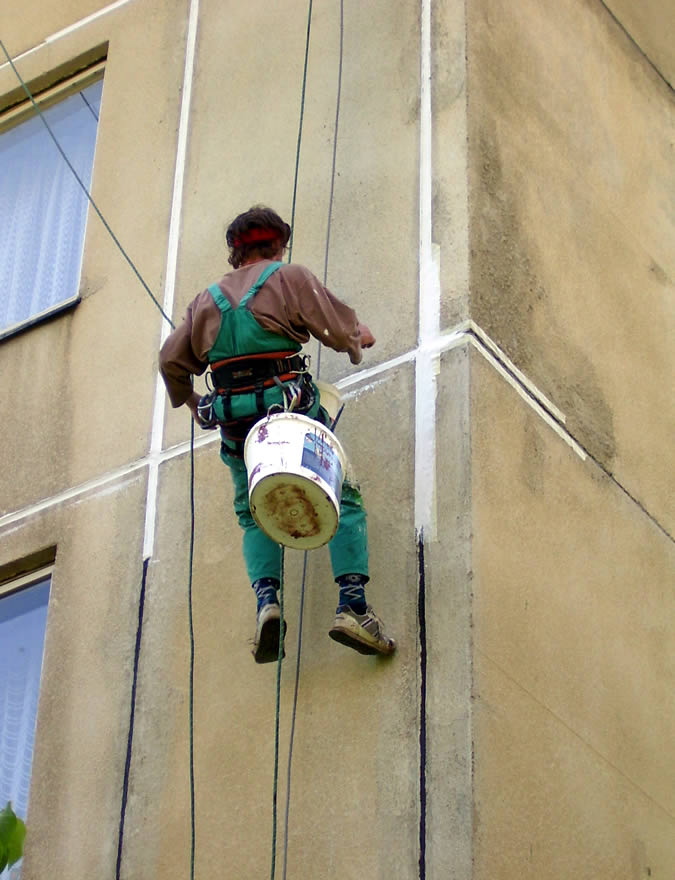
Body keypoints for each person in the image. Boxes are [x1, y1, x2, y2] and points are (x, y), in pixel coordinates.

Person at [159, 205, 395, 663]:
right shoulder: (288, 278)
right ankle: (353, 607)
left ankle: (267, 601)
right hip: (288, 415)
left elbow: (171, 361)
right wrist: (357, 338)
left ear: (234, 254)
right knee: (341, 495)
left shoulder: (205, 302)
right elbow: (341, 328)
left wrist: (193, 406)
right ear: (279, 244)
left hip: (237, 430)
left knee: (252, 511)